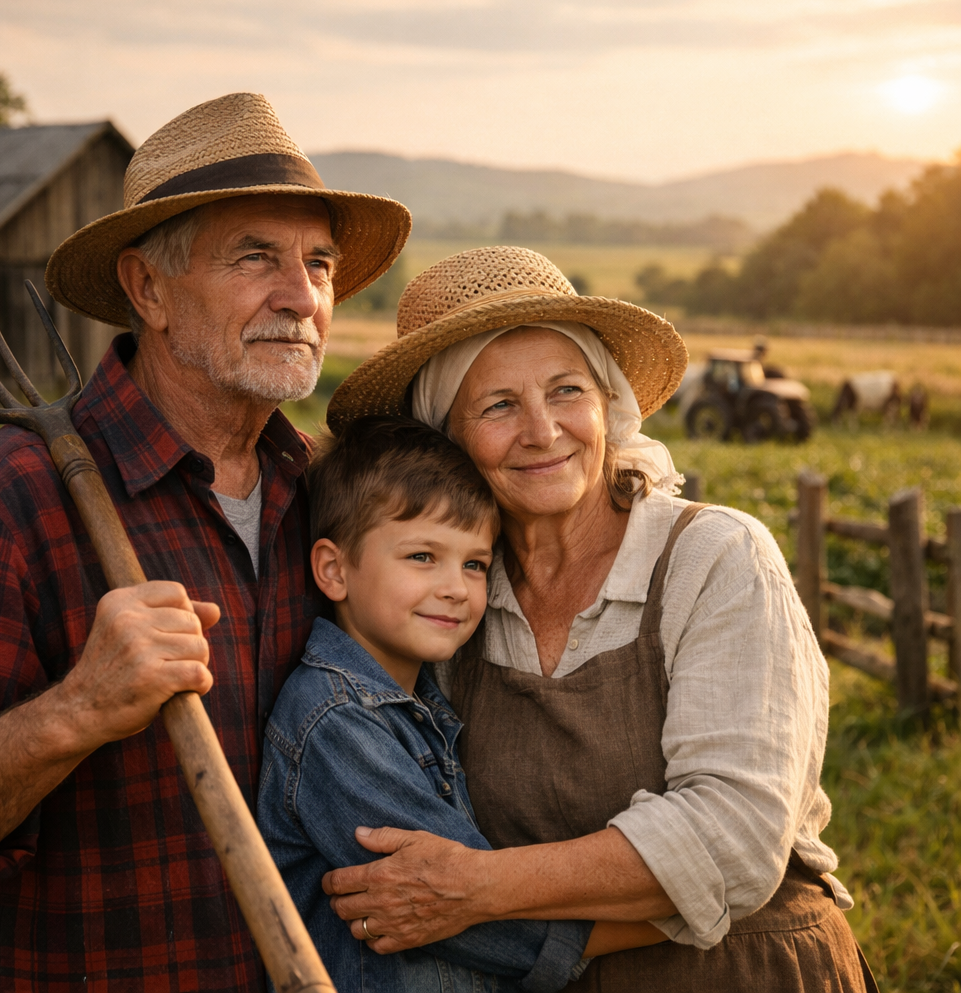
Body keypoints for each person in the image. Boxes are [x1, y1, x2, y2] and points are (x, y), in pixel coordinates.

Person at [0, 92, 410, 992]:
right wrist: (78, 709)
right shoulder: (8, 498)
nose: (302, 296)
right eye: (254, 258)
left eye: (318, 263)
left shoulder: (329, 497)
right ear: (147, 289)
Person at [319, 246, 878, 991]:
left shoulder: (713, 556)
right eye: (498, 406)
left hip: (748, 971)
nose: (544, 431)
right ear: (447, 442)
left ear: (609, 406)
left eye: (566, 391)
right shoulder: (453, 605)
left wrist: (478, 888)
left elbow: (737, 837)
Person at [257, 416, 665, 993]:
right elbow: (463, 914)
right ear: (334, 569)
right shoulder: (337, 721)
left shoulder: (421, 704)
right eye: (423, 556)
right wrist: (661, 921)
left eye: (474, 563)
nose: (456, 587)